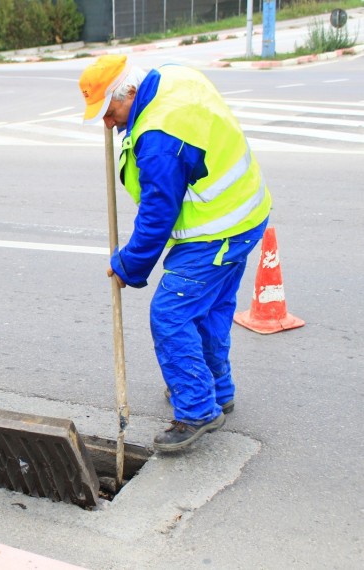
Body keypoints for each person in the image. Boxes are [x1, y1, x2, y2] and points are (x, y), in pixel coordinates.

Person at [78, 55, 271, 451]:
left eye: (109, 111)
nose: (108, 123)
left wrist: (127, 264)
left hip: (217, 231)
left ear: (128, 93)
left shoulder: (159, 137)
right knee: (211, 307)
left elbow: (157, 215)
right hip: (246, 214)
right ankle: (218, 389)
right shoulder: (171, 76)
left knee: (171, 313)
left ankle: (198, 410)